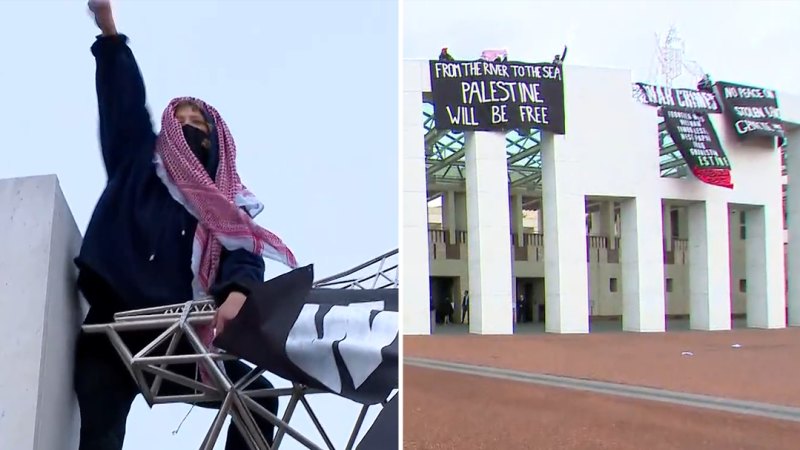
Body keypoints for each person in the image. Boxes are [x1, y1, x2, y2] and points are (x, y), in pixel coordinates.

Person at [73, 2, 297, 449]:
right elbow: (124, 103)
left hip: (180, 337)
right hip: (113, 322)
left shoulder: (228, 207)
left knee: (260, 395)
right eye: (183, 122)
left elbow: (243, 255)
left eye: (201, 126)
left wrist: (237, 295)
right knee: (99, 433)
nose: (191, 129)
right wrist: (110, 31)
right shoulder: (139, 160)